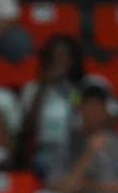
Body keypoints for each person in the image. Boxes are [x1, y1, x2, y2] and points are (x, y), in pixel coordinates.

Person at [19, 35, 84, 178]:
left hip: (74, 148)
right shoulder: (32, 89)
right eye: (55, 56)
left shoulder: (78, 90)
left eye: (64, 56)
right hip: (44, 150)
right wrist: (44, 86)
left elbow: (82, 120)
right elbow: (27, 126)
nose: (59, 61)